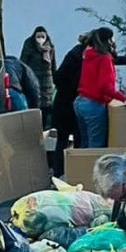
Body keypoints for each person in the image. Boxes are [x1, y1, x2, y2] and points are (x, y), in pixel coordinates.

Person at [75, 27, 126, 147]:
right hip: (94, 105)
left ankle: (81, 160)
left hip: (80, 102)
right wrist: (124, 99)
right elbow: (105, 87)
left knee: (84, 143)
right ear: (109, 40)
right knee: (95, 145)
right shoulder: (104, 59)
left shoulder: (88, 55)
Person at [51, 32, 89, 175]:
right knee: (71, 139)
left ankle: (61, 171)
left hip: (65, 104)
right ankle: (67, 171)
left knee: (64, 140)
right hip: (67, 105)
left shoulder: (76, 54)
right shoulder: (76, 56)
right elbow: (58, 77)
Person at [20, 26, 56, 123]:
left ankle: (44, 126)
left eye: (43, 36)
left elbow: (53, 65)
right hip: (33, 80)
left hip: (47, 83)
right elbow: (23, 62)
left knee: (46, 107)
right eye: (38, 36)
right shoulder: (29, 45)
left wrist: (55, 80)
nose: (40, 39)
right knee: (34, 104)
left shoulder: (50, 47)